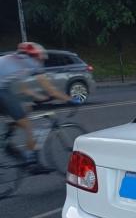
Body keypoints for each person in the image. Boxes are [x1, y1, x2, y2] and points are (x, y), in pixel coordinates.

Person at [0, 42, 78, 172]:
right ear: (35, 56)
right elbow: (51, 90)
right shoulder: (31, 63)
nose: (41, 62)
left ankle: (6, 139)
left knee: (25, 108)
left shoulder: (16, 60)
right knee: (28, 125)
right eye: (41, 59)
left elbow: (23, 88)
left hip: (3, 89)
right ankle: (32, 163)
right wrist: (70, 99)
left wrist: (37, 96)